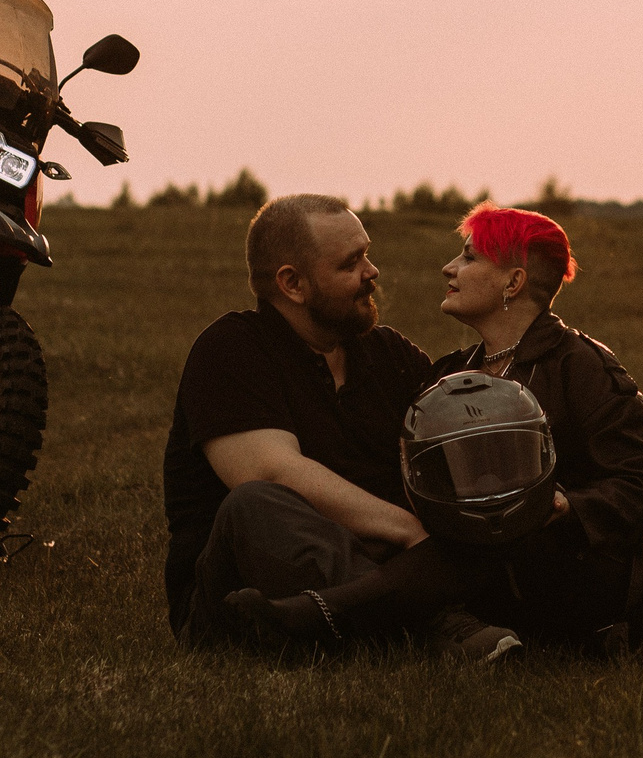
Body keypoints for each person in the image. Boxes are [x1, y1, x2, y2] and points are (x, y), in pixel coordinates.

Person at [228, 204, 643, 658]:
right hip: (493, 570)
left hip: (571, 561)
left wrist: (564, 507)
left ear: (513, 282)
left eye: (468, 257)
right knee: (451, 558)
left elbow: (638, 483)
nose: (449, 267)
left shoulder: (581, 365)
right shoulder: (447, 379)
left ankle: (311, 619)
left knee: (471, 559)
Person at [160, 192, 519, 661]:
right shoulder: (230, 350)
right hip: (246, 584)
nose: (372, 272)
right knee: (254, 504)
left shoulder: (386, 354)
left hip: (385, 562)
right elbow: (270, 472)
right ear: (292, 284)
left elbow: (455, 438)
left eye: (366, 254)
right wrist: (412, 533)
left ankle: (355, 620)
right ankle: (433, 621)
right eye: (351, 263)